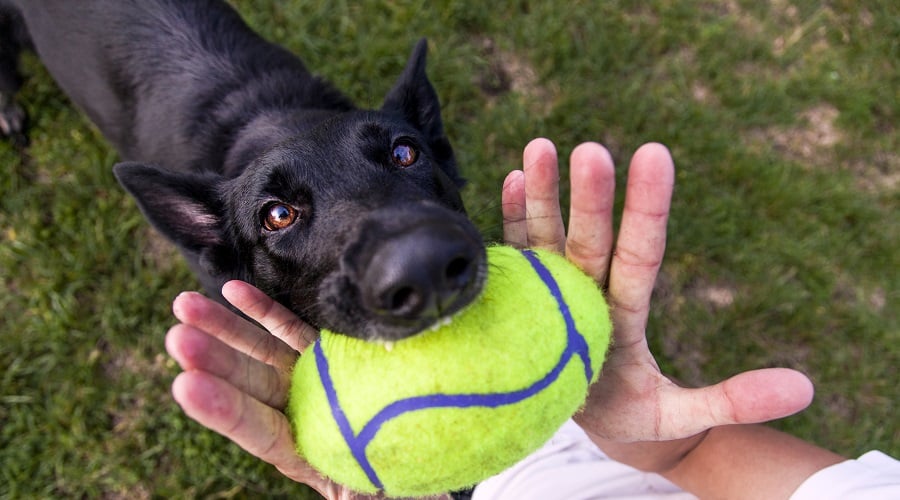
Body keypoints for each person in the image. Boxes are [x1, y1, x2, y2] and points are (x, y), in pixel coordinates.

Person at [165, 139, 900, 499]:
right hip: (564, 432)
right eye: (282, 214)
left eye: (400, 153)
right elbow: (692, 461)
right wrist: (655, 442)